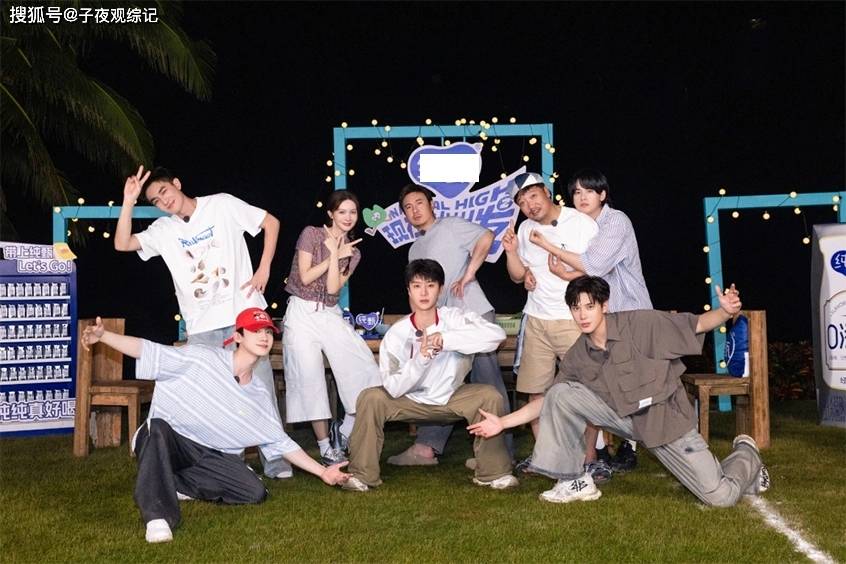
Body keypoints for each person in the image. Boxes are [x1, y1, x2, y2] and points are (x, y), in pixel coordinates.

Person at [469, 276, 770, 506]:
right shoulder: (578, 354)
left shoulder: (640, 323)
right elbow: (550, 401)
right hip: (625, 419)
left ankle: (746, 452)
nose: (582, 314)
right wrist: (502, 422)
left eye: (589, 306)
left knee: (719, 496)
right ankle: (574, 481)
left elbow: (696, 325)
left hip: (668, 423)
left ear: (604, 306)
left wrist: (724, 312)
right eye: (576, 308)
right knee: (561, 393)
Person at [80, 308, 350, 544]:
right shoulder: (201, 357)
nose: (264, 336)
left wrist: (322, 472)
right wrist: (104, 336)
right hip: (172, 440)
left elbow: (280, 442)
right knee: (157, 428)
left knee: (254, 491)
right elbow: (147, 349)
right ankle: (158, 517)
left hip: (208, 454)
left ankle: (176, 484)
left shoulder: (258, 393)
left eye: (268, 331)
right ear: (238, 336)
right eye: (256, 330)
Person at [114, 165, 290, 479]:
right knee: (215, 396)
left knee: (259, 387)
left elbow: (271, 222)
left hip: (242, 314)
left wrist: (264, 268)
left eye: (164, 191)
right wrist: (128, 200)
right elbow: (122, 243)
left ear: (177, 183)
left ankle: (276, 458)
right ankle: (229, 460)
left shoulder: (220, 204)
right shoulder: (162, 230)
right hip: (202, 326)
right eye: (155, 200)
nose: (163, 201)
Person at [342, 259, 515, 492]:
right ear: (408, 290)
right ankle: (362, 475)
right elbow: (393, 387)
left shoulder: (455, 318)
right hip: (410, 400)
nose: (423, 293)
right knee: (370, 397)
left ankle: (493, 473)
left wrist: (446, 340)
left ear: (440, 289)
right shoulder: (397, 333)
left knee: (489, 396)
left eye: (430, 285)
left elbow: (496, 335)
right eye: (417, 286)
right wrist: (421, 360)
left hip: (452, 397)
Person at [528, 169, 652, 473]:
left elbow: (595, 264)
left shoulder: (615, 221)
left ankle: (631, 446)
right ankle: (605, 449)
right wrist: (560, 274)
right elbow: (591, 272)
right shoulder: (585, 227)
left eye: (589, 191)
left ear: (603, 195)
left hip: (629, 312)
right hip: (606, 317)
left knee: (631, 381)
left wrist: (549, 247)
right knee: (609, 382)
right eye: (576, 192)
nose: (581, 197)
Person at [387, 184, 513, 467]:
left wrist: (469, 273)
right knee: (441, 381)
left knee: (487, 383)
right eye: (408, 207)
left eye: (419, 203)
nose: (414, 210)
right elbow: (418, 292)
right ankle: (426, 448)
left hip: (472, 315)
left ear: (432, 204)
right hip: (442, 326)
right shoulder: (415, 249)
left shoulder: (451, 226)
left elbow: (486, 236)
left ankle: (500, 454)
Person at [501, 172, 598, 474]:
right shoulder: (525, 228)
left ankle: (589, 458)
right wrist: (512, 253)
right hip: (537, 320)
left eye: (532, 196)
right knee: (536, 391)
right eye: (522, 202)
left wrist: (566, 274)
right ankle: (547, 458)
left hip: (574, 319)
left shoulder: (580, 222)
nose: (529, 205)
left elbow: (597, 267)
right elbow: (518, 275)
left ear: (546, 191)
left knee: (586, 390)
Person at [282, 190, 381, 464]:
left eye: (353, 212)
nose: (348, 217)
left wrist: (342, 255)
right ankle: (326, 447)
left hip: (329, 313)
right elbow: (304, 277)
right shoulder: (312, 234)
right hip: (301, 312)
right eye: (342, 212)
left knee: (364, 367)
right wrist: (334, 255)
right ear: (331, 214)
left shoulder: (354, 252)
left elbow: (333, 288)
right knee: (309, 377)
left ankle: (344, 431)